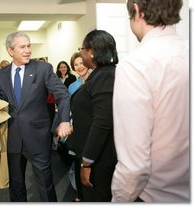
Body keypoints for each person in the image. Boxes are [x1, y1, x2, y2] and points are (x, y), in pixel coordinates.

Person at [111, 0, 189, 202]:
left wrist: (118, 201)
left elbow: (134, 166)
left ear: (137, 11)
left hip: (155, 196)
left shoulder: (135, 65)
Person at [0, 31, 72, 202]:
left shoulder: (43, 69)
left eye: (29, 46)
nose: (28, 50)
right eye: (22, 47)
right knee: (16, 184)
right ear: (10, 50)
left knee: (45, 183)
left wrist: (64, 120)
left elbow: (62, 94)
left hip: (38, 137)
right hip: (12, 138)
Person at [66, 29, 118, 202]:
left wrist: (87, 163)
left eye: (82, 49)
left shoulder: (104, 76)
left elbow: (102, 123)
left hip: (99, 158)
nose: (80, 53)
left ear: (92, 52)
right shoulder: (99, 74)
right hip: (93, 152)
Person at [67, 52, 90, 202]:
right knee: (78, 162)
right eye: (76, 64)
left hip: (92, 128)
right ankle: (80, 195)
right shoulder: (72, 86)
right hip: (77, 129)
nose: (80, 66)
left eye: (82, 63)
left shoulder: (95, 81)